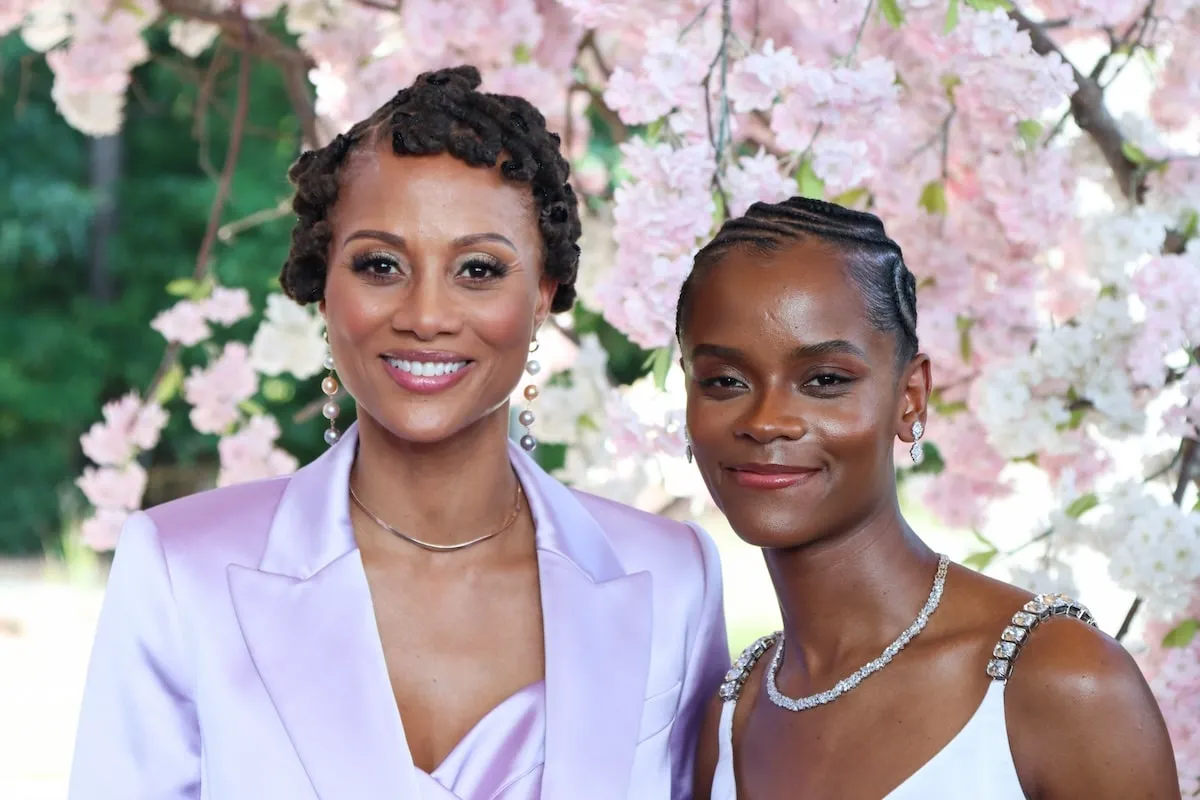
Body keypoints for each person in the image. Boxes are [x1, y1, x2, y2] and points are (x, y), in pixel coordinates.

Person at [69, 66, 729, 800]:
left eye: (478, 268)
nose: (425, 314)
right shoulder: (179, 570)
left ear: (542, 294)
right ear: (325, 287)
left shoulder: (672, 581)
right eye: (380, 264)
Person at [678, 196, 1180, 799]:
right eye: (725, 382)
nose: (766, 421)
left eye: (825, 381)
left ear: (910, 396)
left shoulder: (1060, 680)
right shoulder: (732, 718)